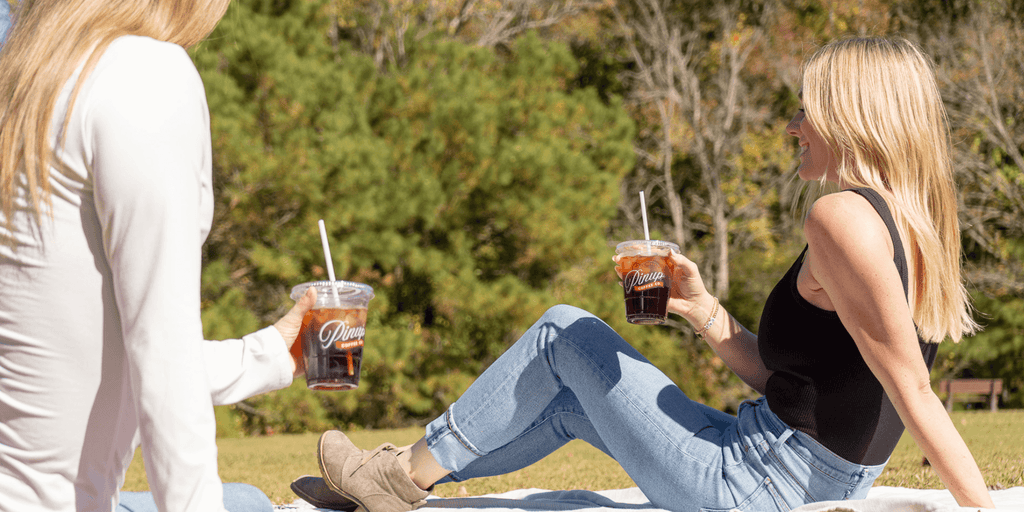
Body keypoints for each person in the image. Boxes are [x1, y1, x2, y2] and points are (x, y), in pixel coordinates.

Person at [300, 37, 996, 512]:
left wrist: (980, 507)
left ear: (854, 115)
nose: (793, 125)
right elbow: (810, 387)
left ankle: (393, 477)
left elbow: (911, 390)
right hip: (775, 466)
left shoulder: (841, 218)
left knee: (563, 334)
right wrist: (702, 310)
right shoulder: (912, 224)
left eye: (806, 108)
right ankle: (389, 485)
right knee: (569, 401)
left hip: (761, 487)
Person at [0, 1, 316, 511]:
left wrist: (277, 353)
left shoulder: (27, 82)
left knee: (248, 501)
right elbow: (159, 354)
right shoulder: (143, 74)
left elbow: (75, 355)